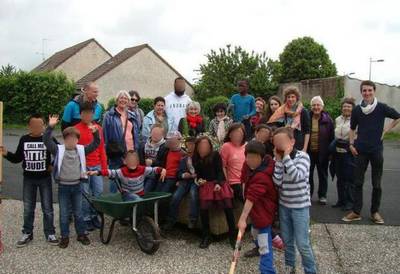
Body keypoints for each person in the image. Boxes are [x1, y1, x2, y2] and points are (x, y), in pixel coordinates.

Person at [343, 80, 400, 224]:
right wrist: (351, 144)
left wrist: (386, 129)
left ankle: (375, 212)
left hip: (376, 150)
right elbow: (352, 128)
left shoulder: (381, 108)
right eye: (364, 90)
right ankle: (356, 212)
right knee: (358, 182)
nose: (367, 93)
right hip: (360, 150)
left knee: (377, 184)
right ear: (361, 92)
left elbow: (397, 116)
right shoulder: (357, 110)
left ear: (374, 91)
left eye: (369, 90)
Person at [44, 114, 100, 248]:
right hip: (63, 187)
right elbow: (46, 140)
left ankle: (81, 234)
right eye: (68, 138)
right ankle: (65, 237)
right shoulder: (58, 150)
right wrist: (51, 126)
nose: (71, 141)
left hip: (77, 186)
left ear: (77, 140)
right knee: (64, 214)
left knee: (79, 213)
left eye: (74, 138)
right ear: (64, 139)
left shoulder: (81, 150)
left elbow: (95, 144)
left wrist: (95, 132)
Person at [1, 114, 58, 247]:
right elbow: (17, 158)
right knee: (28, 208)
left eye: (39, 125)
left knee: (48, 208)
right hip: (29, 179)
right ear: (29, 126)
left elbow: (60, 152)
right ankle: (27, 232)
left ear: (44, 126)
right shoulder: (24, 139)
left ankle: (50, 232)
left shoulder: (48, 138)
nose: (36, 127)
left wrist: (53, 165)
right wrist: (6, 154)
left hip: (44, 179)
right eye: (34, 125)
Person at [272, 127, 317, 274]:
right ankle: (289, 268)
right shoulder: (278, 158)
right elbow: (277, 182)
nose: (279, 145)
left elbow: (297, 176)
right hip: (284, 206)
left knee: (303, 243)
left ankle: (310, 271)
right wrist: (279, 162)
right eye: (276, 142)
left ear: (292, 141)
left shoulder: (303, 157)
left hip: (300, 207)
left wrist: (285, 157)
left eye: (282, 142)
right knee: (287, 242)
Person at [238, 141, 278, 274]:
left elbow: (251, 197)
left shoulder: (262, 176)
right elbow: (243, 178)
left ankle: (267, 271)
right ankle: (272, 240)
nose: (251, 160)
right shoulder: (248, 165)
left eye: (255, 157)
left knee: (264, 246)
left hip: (263, 214)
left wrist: (242, 219)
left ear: (262, 157)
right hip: (255, 213)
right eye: (248, 156)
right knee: (255, 233)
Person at [193, 136, 236, 249]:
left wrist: (218, 183)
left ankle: (233, 235)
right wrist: (199, 180)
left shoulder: (215, 155)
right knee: (203, 209)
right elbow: (198, 175)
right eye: (201, 146)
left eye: (206, 145)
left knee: (228, 206)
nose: (203, 147)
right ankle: (206, 235)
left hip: (218, 182)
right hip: (205, 184)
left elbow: (220, 172)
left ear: (210, 146)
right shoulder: (195, 158)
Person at [74, 102, 107, 231]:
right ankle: (86, 218)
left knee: (98, 192)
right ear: (80, 114)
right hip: (84, 167)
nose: (88, 115)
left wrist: (104, 167)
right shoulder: (76, 129)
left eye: (90, 113)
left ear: (93, 114)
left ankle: (95, 216)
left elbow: (101, 148)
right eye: (85, 113)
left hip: (97, 165)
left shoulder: (98, 128)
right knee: (85, 194)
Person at [89, 151, 166, 201]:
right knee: (137, 200)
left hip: (140, 194)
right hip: (127, 195)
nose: (132, 162)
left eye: (134, 160)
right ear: (125, 162)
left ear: (138, 162)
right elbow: (110, 172)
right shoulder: (122, 171)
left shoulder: (142, 169)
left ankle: (138, 217)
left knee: (139, 200)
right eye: (130, 160)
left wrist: (163, 170)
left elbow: (154, 169)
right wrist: (97, 172)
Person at [103, 90, 140, 193]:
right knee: (115, 180)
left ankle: (128, 204)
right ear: (117, 100)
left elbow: (136, 133)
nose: (123, 100)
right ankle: (114, 204)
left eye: (125, 98)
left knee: (129, 180)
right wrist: (106, 153)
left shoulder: (133, 115)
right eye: (121, 98)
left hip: (130, 151)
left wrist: (136, 150)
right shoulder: (109, 116)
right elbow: (105, 135)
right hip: (116, 152)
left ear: (128, 101)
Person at [163, 137, 199, 230]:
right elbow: (178, 173)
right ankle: (171, 220)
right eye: (188, 145)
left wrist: (196, 175)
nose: (190, 147)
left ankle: (193, 219)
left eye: (192, 145)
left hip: (196, 182)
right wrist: (183, 175)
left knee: (193, 194)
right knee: (175, 196)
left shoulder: (200, 158)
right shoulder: (184, 159)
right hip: (185, 181)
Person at [308, 96, 334, 205]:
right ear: (311, 107)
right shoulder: (306, 117)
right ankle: (308, 195)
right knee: (308, 175)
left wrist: (331, 153)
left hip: (323, 152)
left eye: (318, 105)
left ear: (322, 106)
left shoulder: (328, 120)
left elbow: (332, 137)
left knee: (323, 174)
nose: (316, 107)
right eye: (314, 105)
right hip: (309, 152)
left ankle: (322, 195)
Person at [268, 86, 310, 152]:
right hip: (285, 143)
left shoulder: (303, 111)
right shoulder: (282, 111)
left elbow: (307, 131)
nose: (290, 99)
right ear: (286, 98)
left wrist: (305, 148)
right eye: (288, 97)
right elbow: (278, 127)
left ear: (297, 98)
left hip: (299, 144)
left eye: (293, 97)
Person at [332, 97, 356, 211]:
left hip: (349, 152)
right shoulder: (337, 119)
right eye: (344, 106)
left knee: (349, 179)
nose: (346, 108)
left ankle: (350, 202)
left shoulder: (356, 120)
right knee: (340, 178)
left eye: (349, 106)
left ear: (352, 108)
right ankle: (341, 200)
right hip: (338, 152)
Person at [220, 123, 246, 202]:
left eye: (239, 134)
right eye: (234, 133)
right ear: (229, 135)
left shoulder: (247, 145)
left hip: (246, 180)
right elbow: (223, 166)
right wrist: (227, 183)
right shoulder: (226, 146)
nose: (237, 136)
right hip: (234, 181)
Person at [139, 124, 167, 193]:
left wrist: (153, 162)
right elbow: (139, 159)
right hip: (143, 171)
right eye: (154, 133)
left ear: (162, 135)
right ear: (150, 133)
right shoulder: (143, 145)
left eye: (158, 134)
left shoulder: (165, 147)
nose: (155, 135)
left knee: (145, 190)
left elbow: (164, 163)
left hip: (154, 173)